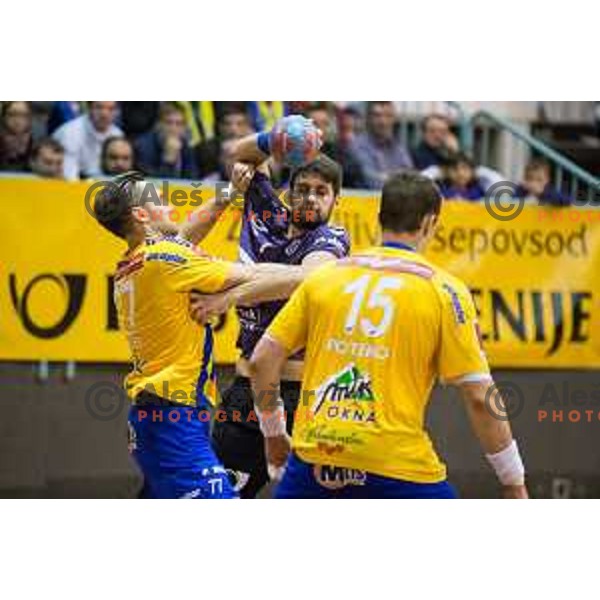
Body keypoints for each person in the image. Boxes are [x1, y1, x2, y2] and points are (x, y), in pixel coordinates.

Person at [249, 171, 528, 499]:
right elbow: (481, 398)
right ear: (429, 223)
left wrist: (273, 433)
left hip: (314, 462)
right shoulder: (445, 291)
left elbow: (262, 360)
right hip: (397, 467)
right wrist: (513, 481)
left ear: (379, 218)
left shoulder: (325, 277)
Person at [92, 170, 314, 499]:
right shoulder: (166, 259)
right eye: (157, 198)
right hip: (173, 420)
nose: (168, 202)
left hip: (152, 418)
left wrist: (229, 193)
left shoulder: (134, 262)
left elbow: (181, 238)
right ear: (141, 215)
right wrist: (317, 274)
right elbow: (253, 275)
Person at [191, 129, 350, 498]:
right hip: (247, 394)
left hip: (302, 400)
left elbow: (305, 277)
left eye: (321, 192)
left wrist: (229, 297)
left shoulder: (331, 239)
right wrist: (279, 135)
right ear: (288, 192)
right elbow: (239, 153)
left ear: (335, 200)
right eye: (303, 188)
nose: (310, 197)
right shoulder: (266, 211)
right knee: (219, 497)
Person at [349, 101, 413, 189]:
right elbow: (372, 182)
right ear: (368, 118)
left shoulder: (398, 146)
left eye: (388, 116)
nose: (383, 121)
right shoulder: (357, 146)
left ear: (394, 119)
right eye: (377, 116)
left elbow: (411, 178)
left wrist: (385, 176)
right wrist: (397, 177)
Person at [53, 101, 123, 180]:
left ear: (117, 112)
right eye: (99, 108)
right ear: (89, 109)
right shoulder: (70, 132)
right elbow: (68, 175)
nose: (105, 114)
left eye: (111, 109)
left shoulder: (118, 134)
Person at [306, 103, 367, 189]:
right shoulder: (293, 156)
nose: (319, 129)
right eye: (314, 124)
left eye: (325, 124)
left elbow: (359, 189)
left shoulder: (344, 158)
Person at [135, 103, 197, 179]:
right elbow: (151, 186)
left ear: (184, 128)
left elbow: (193, 179)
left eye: (179, 124)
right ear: (158, 125)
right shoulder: (143, 147)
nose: (173, 129)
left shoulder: (186, 146)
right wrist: (168, 161)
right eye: (168, 123)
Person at [0, 101, 33, 172]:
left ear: (29, 119)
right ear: (3, 117)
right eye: (12, 114)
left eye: (23, 115)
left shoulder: (37, 146)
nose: (17, 120)